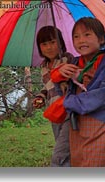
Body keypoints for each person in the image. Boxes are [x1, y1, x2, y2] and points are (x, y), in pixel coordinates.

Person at [51, 17, 105, 167]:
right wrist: (60, 74)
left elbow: (103, 97)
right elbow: (64, 90)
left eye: (87, 35)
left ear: (101, 39)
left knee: (93, 163)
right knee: (77, 161)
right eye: (76, 36)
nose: (81, 40)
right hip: (77, 122)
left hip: (100, 122)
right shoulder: (75, 63)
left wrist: (67, 102)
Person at [32, 26, 73, 167]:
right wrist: (40, 97)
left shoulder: (67, 58)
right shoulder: (43, 66)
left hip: (69, 112)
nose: (49, 47)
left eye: (53, 42)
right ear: (40, 48)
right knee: (64, 150)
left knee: (60, 155)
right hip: (55, 114)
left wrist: (63, 77)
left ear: (60, 42)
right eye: (44, 44)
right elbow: (47, 87)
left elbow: (76, 81)